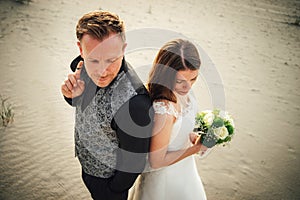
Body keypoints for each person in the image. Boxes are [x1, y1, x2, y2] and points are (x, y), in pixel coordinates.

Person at [60, 11, 153, 200]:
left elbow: (134, 162)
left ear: (124, 48)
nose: (102, 71)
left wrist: (113, 191)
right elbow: (81, 102)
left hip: (108, 184)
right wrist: (70, 96)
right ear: (81, 49)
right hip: (87, 166)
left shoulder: (135, 105)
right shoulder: (82, 65)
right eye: (94, 60)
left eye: (111, 60)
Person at [129, 39, 207, 200]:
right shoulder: (164, 109)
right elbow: (156, 161)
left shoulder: (185, 92)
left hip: (185, 172)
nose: (188, 87)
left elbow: (181, 127)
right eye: (180, 81)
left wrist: (191, 136)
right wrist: (195, 149)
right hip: (164, 181)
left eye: (193, 79)